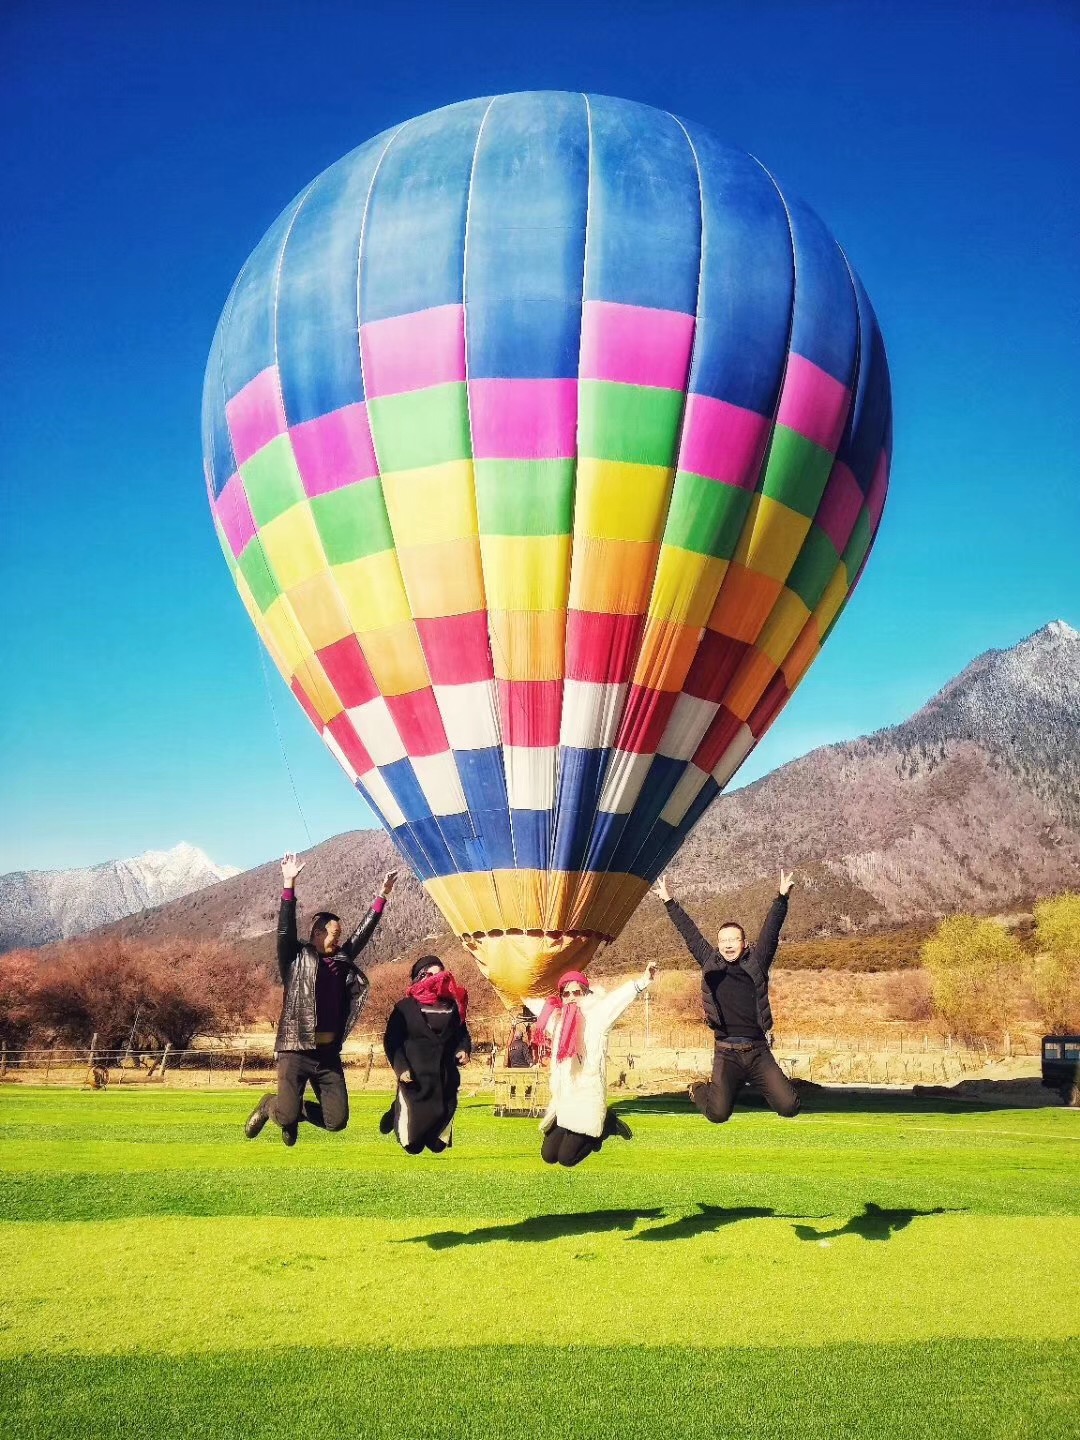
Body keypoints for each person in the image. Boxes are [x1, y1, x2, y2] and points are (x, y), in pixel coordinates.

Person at [245, 854, 396, 1145]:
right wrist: (289, 883)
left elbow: (361, 935)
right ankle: (270, 1106)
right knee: (285, 1116)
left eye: (340, 936)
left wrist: (382, 896)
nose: (339, 940)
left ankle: (294, 1112)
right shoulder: (294, 959)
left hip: (327, 1055)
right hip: (296, 1050)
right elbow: (285, 929)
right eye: (333, 935)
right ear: (316, 933)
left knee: (336, 1121)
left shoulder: (341, 959)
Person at [652, 869, 800, 1124]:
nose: (729, 944)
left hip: (758, 1051)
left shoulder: (757, 962)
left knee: (789, 1107)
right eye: (723, 940)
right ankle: (698, 1089)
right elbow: (690, 933)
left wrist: (782, 897)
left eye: (734, 939)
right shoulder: (710, 962)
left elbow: (771, 931)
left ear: (744, 943)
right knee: (718, 1114)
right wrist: (669, 900)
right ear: (718, 943)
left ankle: (742, 1088)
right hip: (725, 1052)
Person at [530, 962, 658, 1168]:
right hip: (564, 1098)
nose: (571, 997)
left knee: (567, 1159)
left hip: (586, 1096)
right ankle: (599, 1125)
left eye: (576, 992)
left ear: (586, 993)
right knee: (549, 1155)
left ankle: (606, 1127)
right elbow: (536, 1005)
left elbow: (617, 1001)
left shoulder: (597, 1017)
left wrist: (642, 981)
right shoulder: (559, 1021)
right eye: (566, 993)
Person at [380, 956, 471, 1154]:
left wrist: (464, 1048)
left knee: (438, 1146)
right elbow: (392, 1040)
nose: (439, 979)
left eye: (441, 974)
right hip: (415, 1078)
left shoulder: (452, 1007)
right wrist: (401, 1067)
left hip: (444, 1076)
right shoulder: (404, 1008)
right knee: (413, 1147)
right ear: (420, 977)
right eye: (432, 975)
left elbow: (461, 1032)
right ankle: (398, 1110)